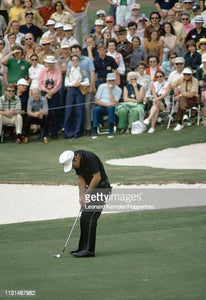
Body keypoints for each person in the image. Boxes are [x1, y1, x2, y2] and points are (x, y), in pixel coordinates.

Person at [59, 149, 111, 258]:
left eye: (72, 165)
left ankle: (89, 250)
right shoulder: (76, 161)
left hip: (102, 188)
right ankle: (82, 247)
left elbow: (97, 177)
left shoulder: (89, 157)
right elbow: (81, 179)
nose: (73, 167)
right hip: (92, 190)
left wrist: (87, 194)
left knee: (91, 218)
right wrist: (81, 196)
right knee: (84, 217)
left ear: (76, 158)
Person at [64, 54, 90, 139]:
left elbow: (87, 82)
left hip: (79, 90)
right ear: (71, 62)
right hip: (71, 90)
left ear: (79, 61)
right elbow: (66, 83)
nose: (75, 61)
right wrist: (73, 84)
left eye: (76, 60)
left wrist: (80, 83)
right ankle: (68, 132)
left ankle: (78, 132)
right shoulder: (69, 71)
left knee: (80, 111)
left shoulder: (82, 70)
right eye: (73, 60)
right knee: (69, 110)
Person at [38, 55, 62, 138]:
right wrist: (46, 91)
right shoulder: (42, 71)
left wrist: (51, 93)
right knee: (45, 113)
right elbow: (40, 83)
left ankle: (54, 132)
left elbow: (58, 84)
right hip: (44, 93)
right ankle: (45, 132)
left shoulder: (58, 71)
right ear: (46, 63)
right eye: (49, 63)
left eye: (52, 63)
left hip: (54, 94)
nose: (50, 65)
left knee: (54, 113)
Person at [92, 73, 122, 139]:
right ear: (106, 80)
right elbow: (96, 100)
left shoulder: (119, 90)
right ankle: (94, 130)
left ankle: (111, 129)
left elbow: (114, 102)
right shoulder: (101, 86)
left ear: (115, 81)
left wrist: (110, 91)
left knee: (111, 108)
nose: (111, 82)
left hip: (111, 107)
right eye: (109, 80)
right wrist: (106, 104)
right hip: (102, 105)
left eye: (112, 80)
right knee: (96, 109)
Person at [172, 67, 199, 131]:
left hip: (193, 99)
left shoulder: (195, 80)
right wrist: (175, 89)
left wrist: (180, 95)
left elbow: (191, 94)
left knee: (181, 101)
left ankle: (180, 123)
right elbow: (173, 84)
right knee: (182, 100)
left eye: (188, 74)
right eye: (185, 74)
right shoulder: (181, 79)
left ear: (191, 74)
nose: (186, 76)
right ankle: (185, 114)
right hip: (183, 98)